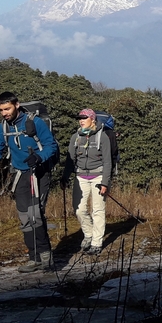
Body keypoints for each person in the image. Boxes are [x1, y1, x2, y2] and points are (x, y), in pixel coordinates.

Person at [0, 92, 58, 272]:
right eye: (1, 110)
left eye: (7, 108)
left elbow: (51, 146)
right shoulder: (2, 128)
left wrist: (38, 157)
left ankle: (47, 259)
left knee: (35, 214)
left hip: (39, 172)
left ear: (17, 105)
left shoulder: (34, 122)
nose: (4, 113)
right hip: (21, 174)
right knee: (24, 217)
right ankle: (34, 259)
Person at [61, 109, 112, 255]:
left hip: (98, 176)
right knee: (79, 210)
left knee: (98, 210)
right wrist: (64, 177)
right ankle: (88, 234)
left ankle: (96, 243)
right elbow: (70, 161)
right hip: (80, 177)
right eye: (79, 118)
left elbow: (108, 161)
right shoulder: (75, 137)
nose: (81, 120)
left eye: (84, 118)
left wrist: (105, 183)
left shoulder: (103, 137)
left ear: (93, 120)